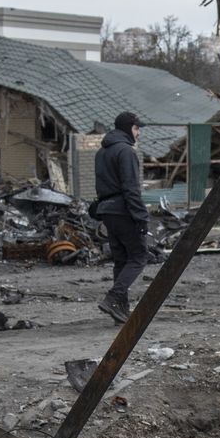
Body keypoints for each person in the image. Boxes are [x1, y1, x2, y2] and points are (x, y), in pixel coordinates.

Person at [93, 112, 148, 323]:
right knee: (138, 256)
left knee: (121, 260)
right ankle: (114, 298)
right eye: (136, 128)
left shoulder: (102, 152)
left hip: (107, 211)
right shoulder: (126, 151)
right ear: (127, 128)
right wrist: (141, 217)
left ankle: (120, 311)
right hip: (123, 210)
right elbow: (131, 188)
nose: (138, 133)